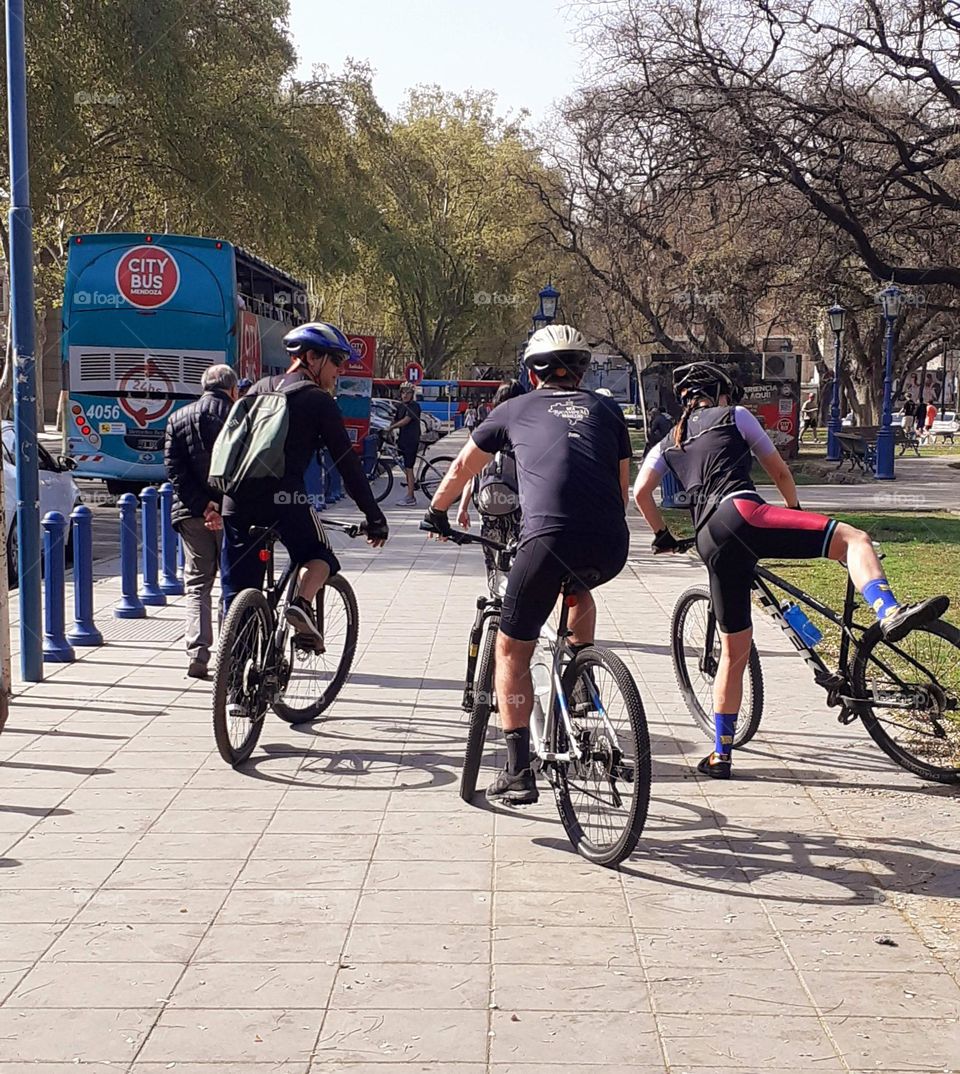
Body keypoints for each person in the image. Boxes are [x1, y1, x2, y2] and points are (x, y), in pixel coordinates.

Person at [633, 361, 949, 780]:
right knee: (854, 540)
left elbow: (640, 493)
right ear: (722, 394)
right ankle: (889, 613)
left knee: (733, 651)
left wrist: (662, 536)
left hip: (710, 537)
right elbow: (778, 469)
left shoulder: (667, 442)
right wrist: (795, 513)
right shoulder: (736, 416)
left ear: (685, 401)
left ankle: (721, 754)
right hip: (746, 514)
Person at [424, 325, 633, 804]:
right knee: (577, 586)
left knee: (511, 653)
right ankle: (581, 669)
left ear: (532, 372)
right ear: (582, 370)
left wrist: (437, 511)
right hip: (610, 544)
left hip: (545, 540)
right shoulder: (607, 410)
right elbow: (622, 491)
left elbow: (461, 468)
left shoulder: (513, 408)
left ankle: (519, 771)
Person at [220, 322, 388, 648]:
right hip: (284, 500)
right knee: (320, 554)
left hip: (235, 501)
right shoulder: (317, 400)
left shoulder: (256, 389)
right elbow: (348, 464)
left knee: (237, 592)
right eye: (336, 362)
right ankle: (300, 604)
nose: (339, 371)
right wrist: (374, 516)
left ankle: (236, 683)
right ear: (312, 357)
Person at [164, 364, 238, 678]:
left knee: (197, 585)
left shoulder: (177, 418)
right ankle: (230, 655)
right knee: (231, 583)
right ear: (233, 389)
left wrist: (202, 505)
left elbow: (173, 469)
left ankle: (197, 653)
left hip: (191, 514)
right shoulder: (239, 417)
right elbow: (245, 466)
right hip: (232, 513)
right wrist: (220, 506)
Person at [457, 379, 526, 583]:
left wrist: (463, 507)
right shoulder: (528, 433)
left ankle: (495, 604)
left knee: (493, 566)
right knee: (519, 564)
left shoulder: (485, 431)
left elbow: (469, 471)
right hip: (519, 511)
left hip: (488, 508)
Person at [387, 384, 421, 506]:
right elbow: (395, 419)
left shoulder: (414, 406)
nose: (405, 395)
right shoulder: (401, 406)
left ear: (412, 395)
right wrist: (387, 427)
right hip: (403, 440)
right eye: (403, 393)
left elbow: (406, 420)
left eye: (408, 393)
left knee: (409, 467)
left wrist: (392, 427)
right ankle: (410, 486)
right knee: (406, 467)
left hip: (411, 440)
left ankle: (410, 497)